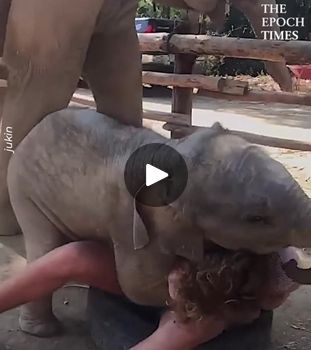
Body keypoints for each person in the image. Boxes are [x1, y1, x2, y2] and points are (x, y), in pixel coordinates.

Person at [0, 240, 299, 350]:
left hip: (220, 305)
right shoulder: (172, 203)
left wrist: (222, 310)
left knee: (183, 333)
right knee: (74, 257)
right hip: (159, 268)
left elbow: (261, 306)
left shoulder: (281, 267)